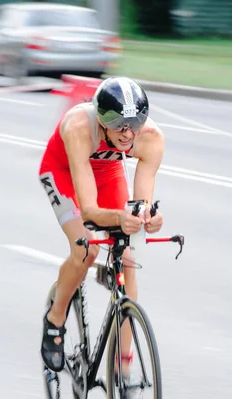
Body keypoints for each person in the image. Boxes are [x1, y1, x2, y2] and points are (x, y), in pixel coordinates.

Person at [37, 76, 165, 380]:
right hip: (64, 171)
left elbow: (141, 201)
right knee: (87, 248)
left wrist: (147, 217)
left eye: (133, 123)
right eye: (116, 122)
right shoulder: (80, 127)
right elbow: (91, 209)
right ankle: (55, 320)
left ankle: (123, 361)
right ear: (99, 117)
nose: (126, 132)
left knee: (129, 261)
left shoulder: (151, 137)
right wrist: (118, 219)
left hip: (107, 172)